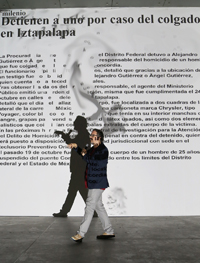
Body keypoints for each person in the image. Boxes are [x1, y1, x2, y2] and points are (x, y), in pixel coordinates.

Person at [68, 129, 115, 242]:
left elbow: (94, 162)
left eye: (93, 135)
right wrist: (76, 147)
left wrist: (85, 154)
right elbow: (86, 157)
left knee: (89, 207)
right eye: (91, 135)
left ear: (99, 137)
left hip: (97, 183)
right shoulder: (94, 149)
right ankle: (109, 230)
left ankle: (81, 233)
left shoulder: (103, 150)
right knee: (99, 206)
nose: (90, 137)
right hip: (94, 182)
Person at [53, 116, 90, 217]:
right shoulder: (84, 135)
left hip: (79, 168)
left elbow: (74, 146)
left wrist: (64, 135)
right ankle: (93, 211)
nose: (74, 124)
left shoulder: (83, 135)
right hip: (80, 168)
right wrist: (65, 136)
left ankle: (64, 211)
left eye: (76, 123)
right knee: (80, 191)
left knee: (73, 190)